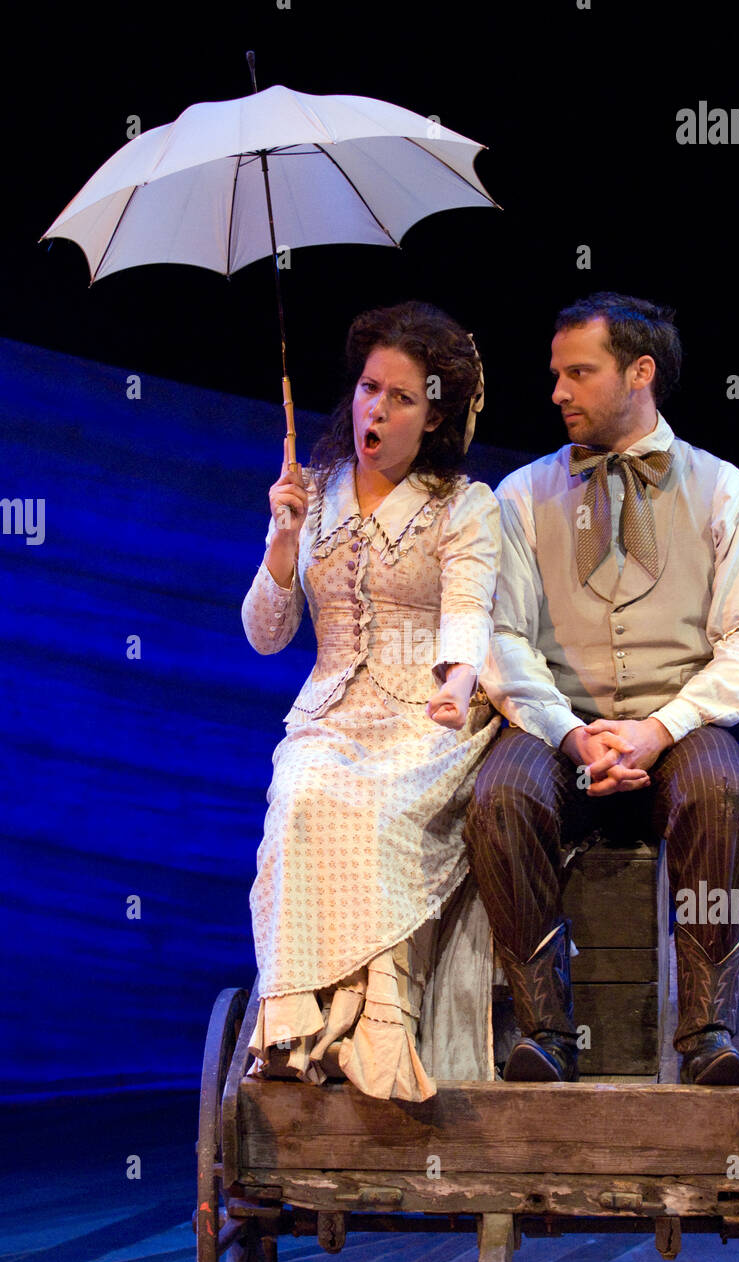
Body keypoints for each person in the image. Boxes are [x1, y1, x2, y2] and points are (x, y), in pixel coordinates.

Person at [466, 291, 739, 1085]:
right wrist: (572, 732)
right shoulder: (519, 497)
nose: (557, 392)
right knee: (499, 798)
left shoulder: (728, 493)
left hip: (677, 725)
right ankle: (544, 1032)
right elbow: (501, 637)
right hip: (557, 725)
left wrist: (661, 728)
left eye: (579, 373)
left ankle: (707, 1031)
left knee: (722, 797)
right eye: (555, 373)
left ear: (639, 373)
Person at [241, 301, 501, 1103]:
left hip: (428, 715)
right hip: (331, 714)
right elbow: (265, 635)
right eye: (367, 388)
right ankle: (297, 1027)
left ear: (435, 416)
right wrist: (281, 543)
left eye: (401, 397)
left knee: (382, 813)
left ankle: (373, 1029)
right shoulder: (311, 496)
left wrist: (459, 681)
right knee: (303, 796)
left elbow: (469, 608)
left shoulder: (464, 506)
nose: (376, 410)